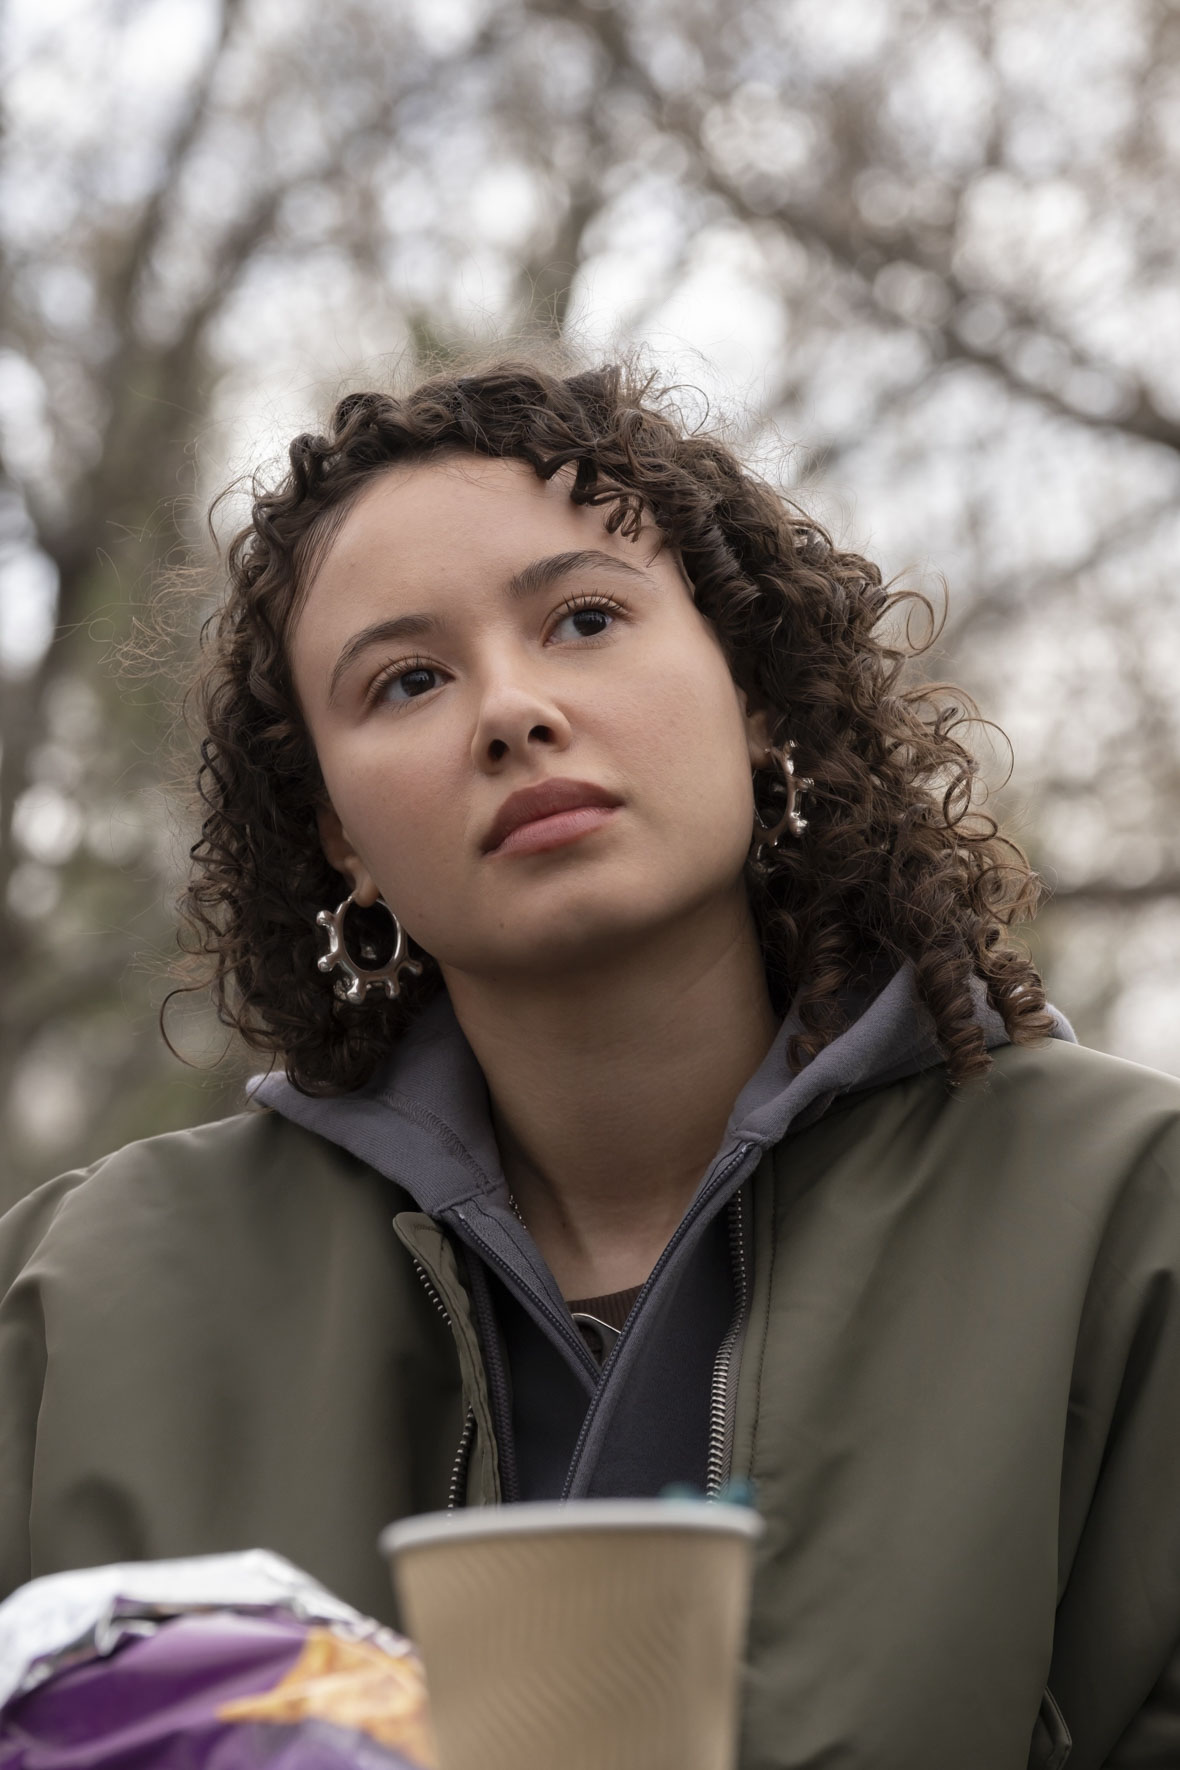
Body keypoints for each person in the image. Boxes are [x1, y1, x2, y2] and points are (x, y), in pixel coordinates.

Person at [0, 358, 1177, 1769]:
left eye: (586, 618)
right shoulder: (84, 1304)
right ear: (338, 835)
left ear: (754, 692)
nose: (511, 708)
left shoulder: (1123, 1219)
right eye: (408, 679)